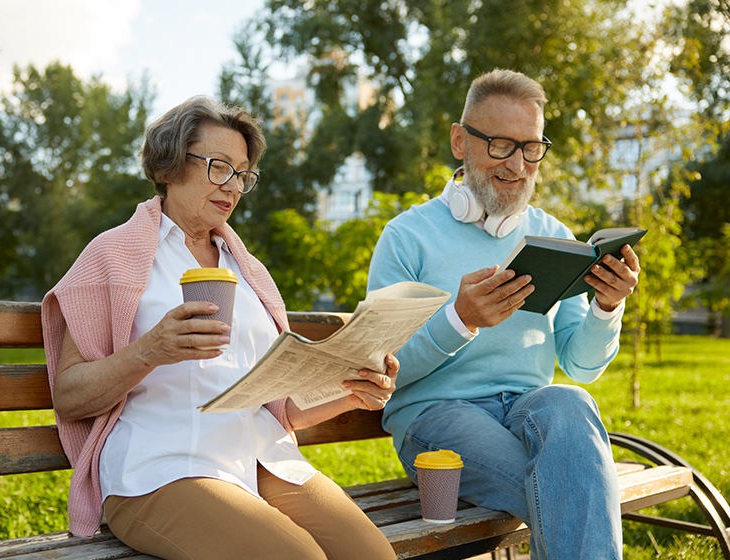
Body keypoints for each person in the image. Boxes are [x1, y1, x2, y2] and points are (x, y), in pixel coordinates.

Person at [41, 95, 398, 560]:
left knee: (373, 556)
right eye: (218, 166)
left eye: (243, 173)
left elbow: (277, 406)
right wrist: (151, 350)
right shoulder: (113, 256)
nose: (232, 185)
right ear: (170, 166)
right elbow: (69, 396)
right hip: (159, 468)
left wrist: (350, 391)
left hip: (259, 456)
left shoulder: (248, 270)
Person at [366, 69, 640, 560]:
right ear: (460, 141)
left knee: (571, 401)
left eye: (531, 147)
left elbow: (581, 367)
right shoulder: (406, 237)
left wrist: (606, 307)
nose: (518, 164)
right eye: (500, 145)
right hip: (437, 418)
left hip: (530, 410)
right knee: (572, 489)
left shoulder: (554, 235)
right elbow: (382, 366)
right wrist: (460, 319)